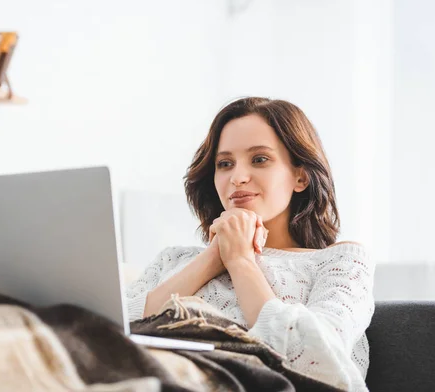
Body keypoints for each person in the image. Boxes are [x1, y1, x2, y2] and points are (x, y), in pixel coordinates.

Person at [126, 97, 374, 391]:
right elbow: (109, 327)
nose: (237, 178)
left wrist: (241, 262)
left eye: (259, 159)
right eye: (225, 164)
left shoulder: (341, 263)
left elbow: (316, 358)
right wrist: (212, 259)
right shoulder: (172, 260)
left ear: (301, 176)